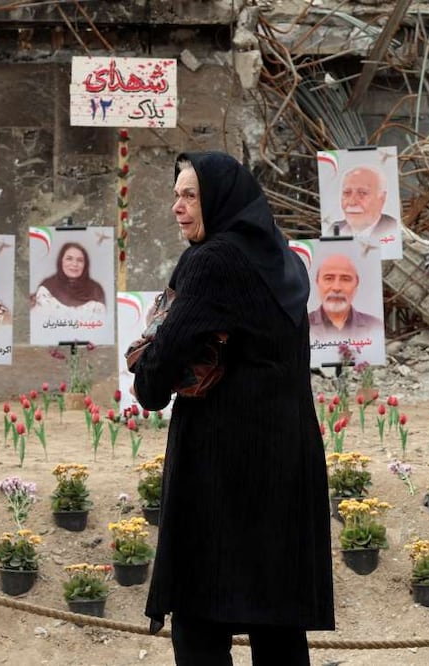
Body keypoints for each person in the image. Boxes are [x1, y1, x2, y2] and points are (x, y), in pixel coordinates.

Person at [129, 152, 334, 664]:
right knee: (277, 623)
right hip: (286, 462)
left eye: (190, 195)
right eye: (175, 194)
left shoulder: (212, 261)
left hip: (223, 472)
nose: (177, 207)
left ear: (218, 200)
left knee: (199, 620)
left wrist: (150, 363)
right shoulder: (282, 258)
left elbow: (152, 383)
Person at [308, 253, 382, 342]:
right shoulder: (302, 326)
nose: (336, 288)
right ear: (317, 283)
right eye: (329, 278)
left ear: (356, 285)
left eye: (345, 279)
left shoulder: (375, 326)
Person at [32, 242, 107, 316]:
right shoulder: (46, 289)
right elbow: (41, 323)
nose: (75, 264)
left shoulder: (95, 290)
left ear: (85, 264)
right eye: (69, 259)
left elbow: (101, 323)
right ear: (61, 261)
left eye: (80, 260)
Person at [327, 165, 397, 240]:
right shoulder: (334, 229)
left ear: (382, 199)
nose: (352, 202)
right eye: (347, 192)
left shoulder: (394, 229)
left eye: (363, 193)